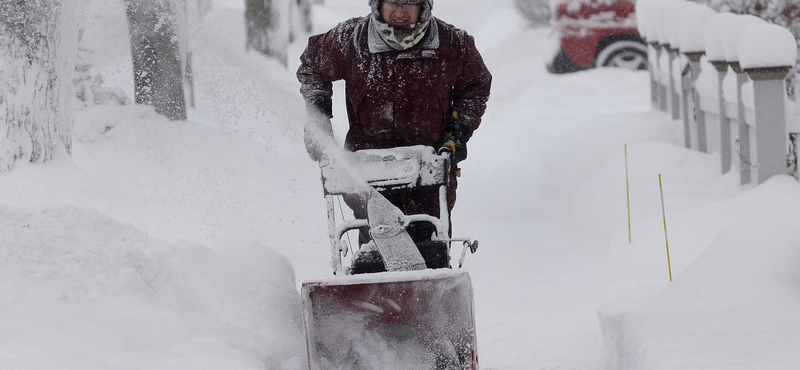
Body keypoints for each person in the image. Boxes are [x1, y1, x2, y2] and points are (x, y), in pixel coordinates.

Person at [297, 0, 492, 247]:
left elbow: (476, 86)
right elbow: (312, 66)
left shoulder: (453, 44)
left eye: (409, 4)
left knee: (431, 261)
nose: (400, 13)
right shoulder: (352, 41)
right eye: (393, 3)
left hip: (429, 182)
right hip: (367, 181)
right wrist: (319, 120)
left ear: (425, 6)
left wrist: (457, 132)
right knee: (371, 264)